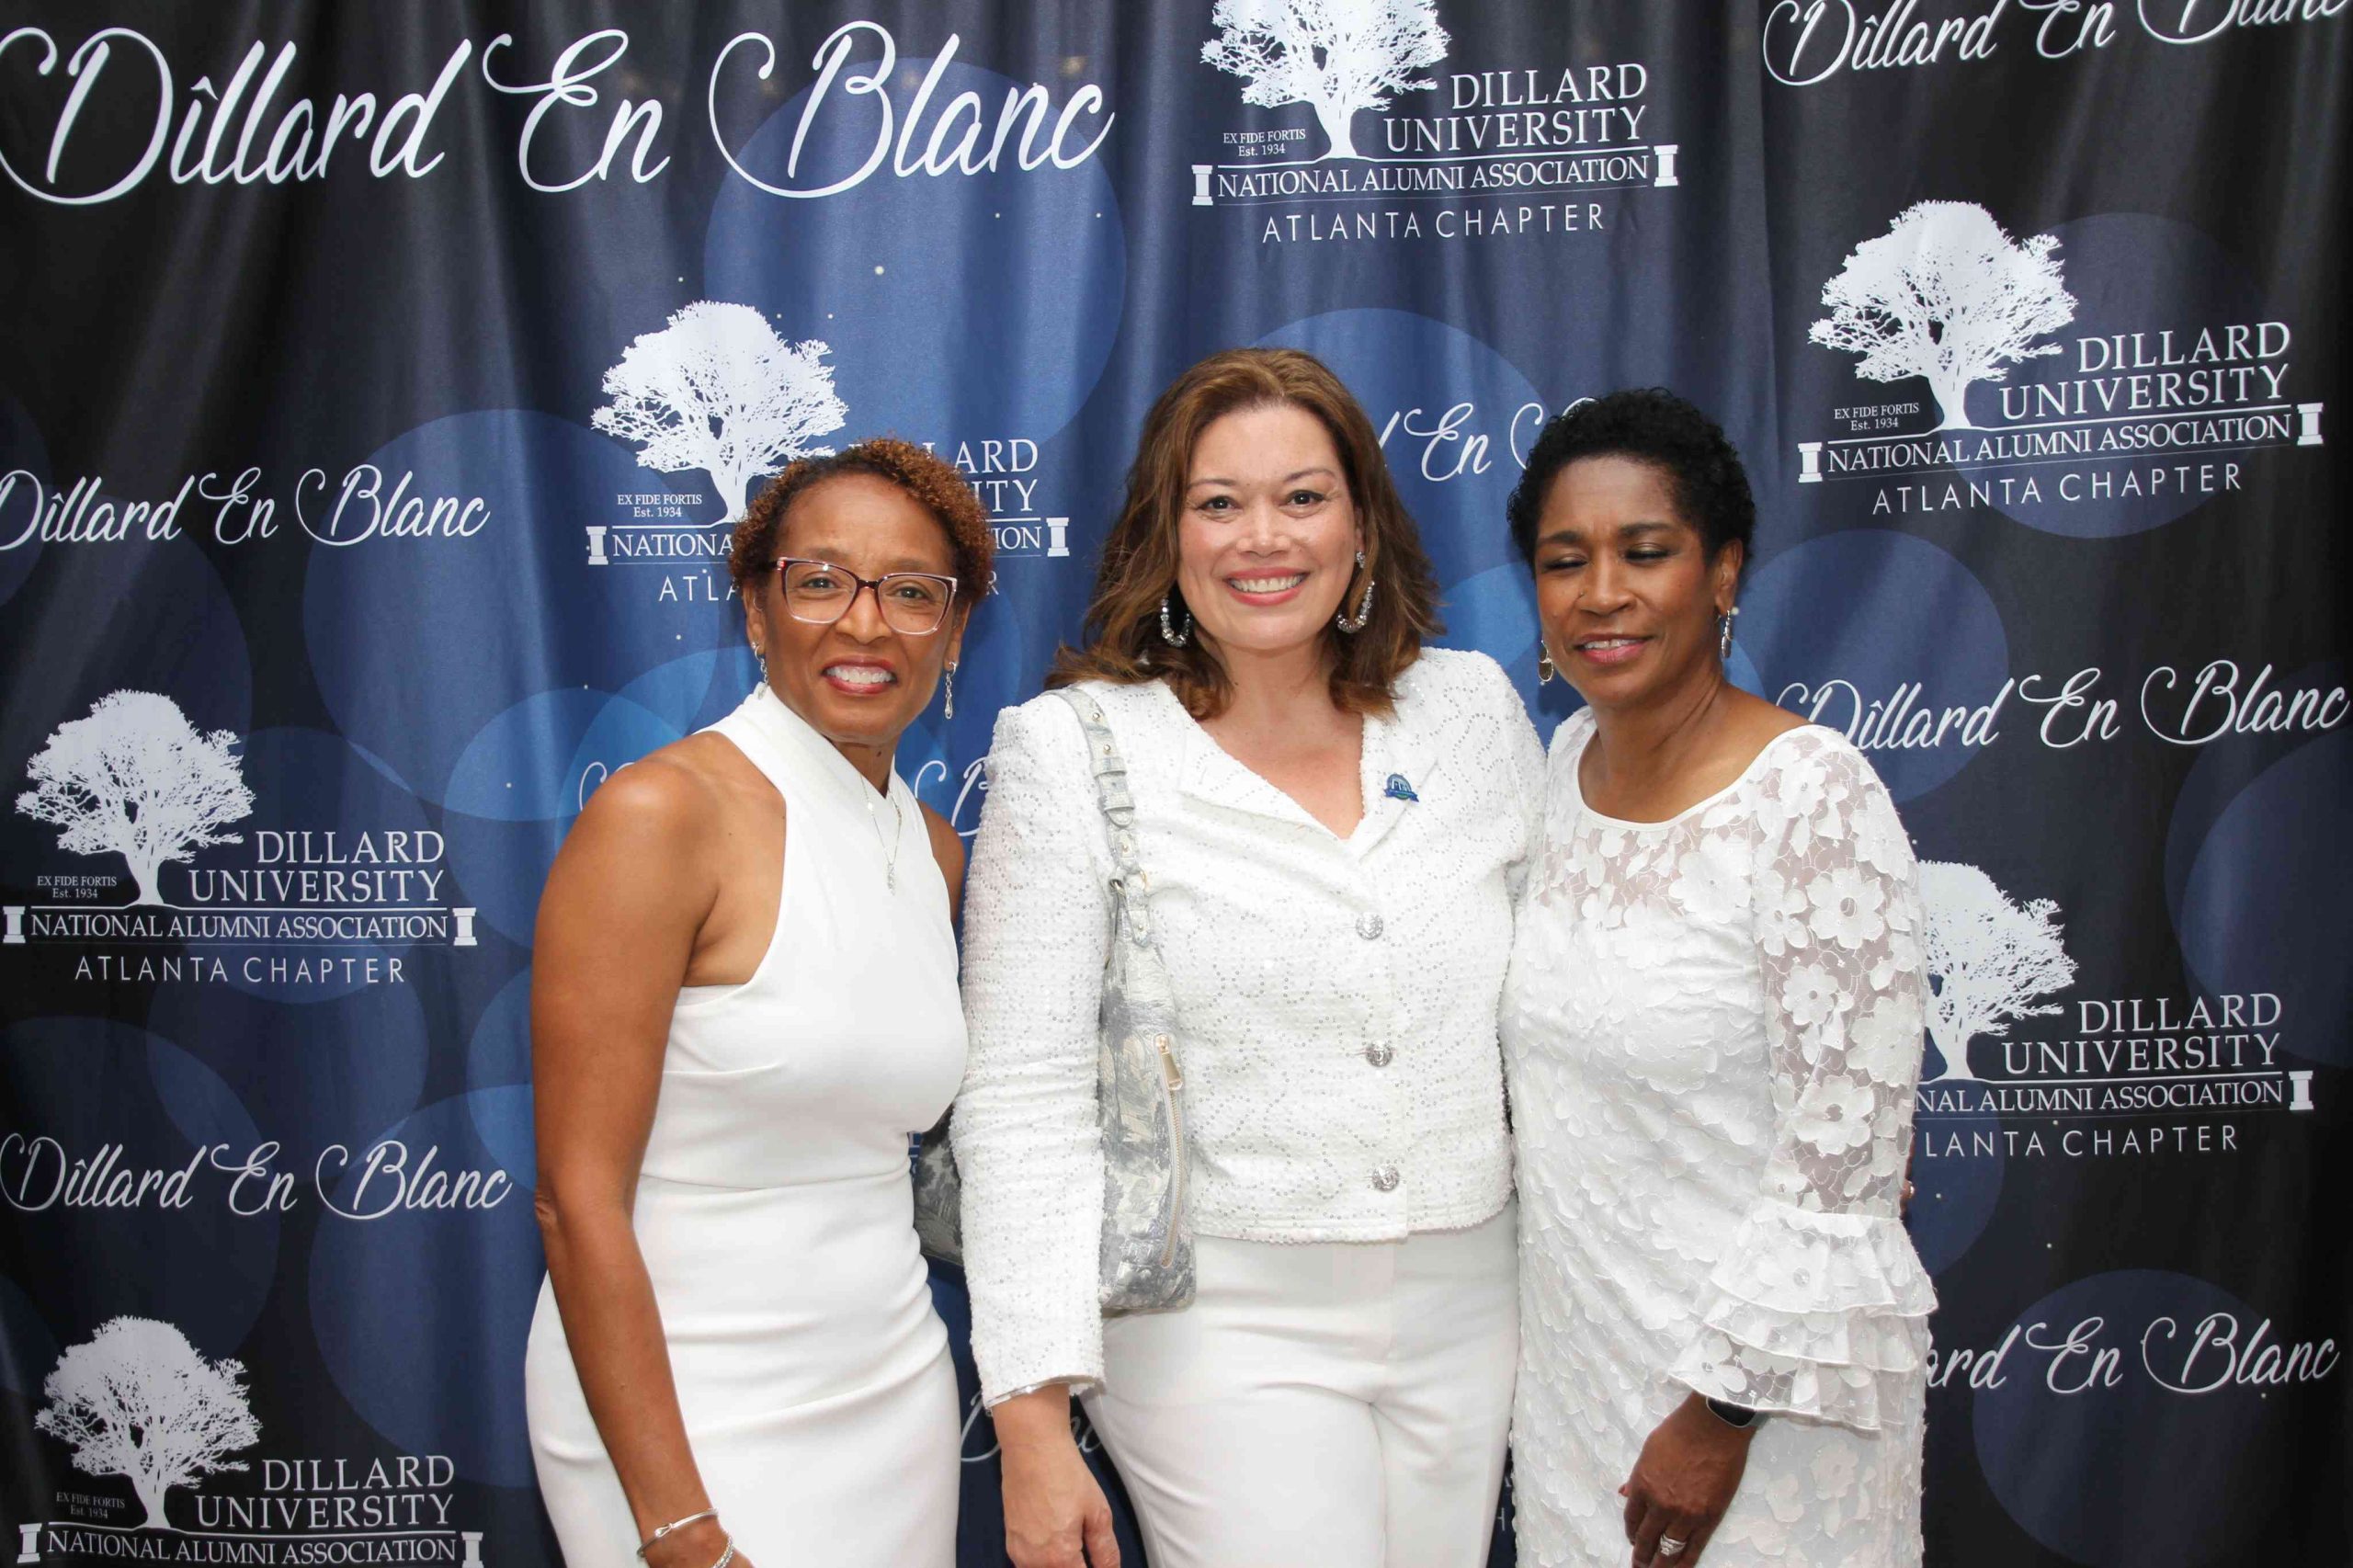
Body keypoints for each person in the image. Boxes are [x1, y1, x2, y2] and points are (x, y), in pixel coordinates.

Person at [953, 347, 1542, 1568]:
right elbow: (1021, 1098)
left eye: (1303, 497)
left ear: (1362, 525)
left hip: (1470, 1295)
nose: (1262, 537)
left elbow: (1560, 995)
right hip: (1211, 1318)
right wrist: (1030, 1412)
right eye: (1218, 502)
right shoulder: (1073, 748)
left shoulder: (1471, 710)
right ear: (1166, 535)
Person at [524, 439, 990, 1568]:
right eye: (819, 580)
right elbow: (576, 1202)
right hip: (682, 1411)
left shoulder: (933, 849)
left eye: (911, 592)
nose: (865, 624)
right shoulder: (660, 815)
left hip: (891, 1388)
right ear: (754, 607)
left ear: (953, 630)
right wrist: (676, 1523)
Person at [1501, 390, 1934, 1568]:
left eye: (1645, 551)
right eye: (1564, 560)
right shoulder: (1560, 766)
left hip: (1761, 1406)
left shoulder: (1809, 794)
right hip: (1578, 1382)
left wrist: (1720, 1413)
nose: (1601, 592)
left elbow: (1846, 1159)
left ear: (1724, 571)